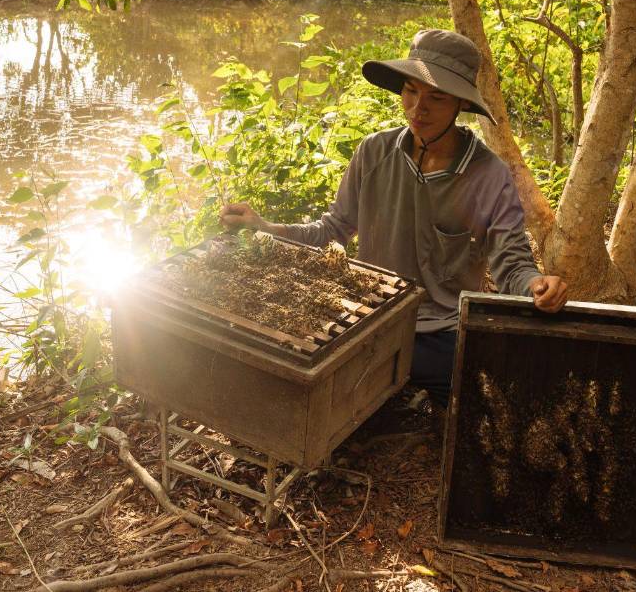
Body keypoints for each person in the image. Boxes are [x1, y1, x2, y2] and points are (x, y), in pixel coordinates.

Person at [220, 29, 568, 407]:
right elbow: (333, 230)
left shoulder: (488, 175)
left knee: (496, 385)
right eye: (411, 91)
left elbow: (511, 262)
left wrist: (536, 285)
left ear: (460, 106)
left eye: (436, 97)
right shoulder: (374, 152)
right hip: (367, 319)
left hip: (442, 329)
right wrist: (265, 228)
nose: (419, 108)